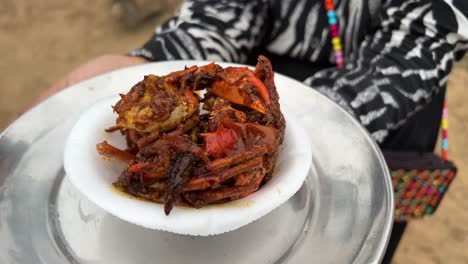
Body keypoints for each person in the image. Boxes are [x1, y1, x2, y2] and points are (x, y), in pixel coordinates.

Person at [39, 0, 468, 262]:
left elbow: (429, 34)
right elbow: (223, 12)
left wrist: (293, 120)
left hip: (384, 108)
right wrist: (156, 62)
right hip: (246, 89)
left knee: (354, 240)